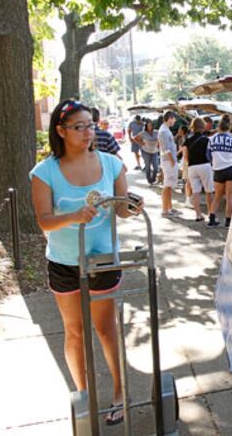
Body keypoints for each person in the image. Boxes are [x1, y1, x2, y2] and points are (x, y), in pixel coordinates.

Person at [30, 100, 143, 427]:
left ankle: (120, 394)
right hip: (64, 263)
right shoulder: (44, 171)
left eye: (90, 125)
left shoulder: (111, 164)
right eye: (78, 127)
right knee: (74, 331)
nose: (87, 132)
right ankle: (84, 396)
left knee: (106, 329)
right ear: (61, 131)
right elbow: (45, 222)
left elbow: (122, 210)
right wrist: (74, 216)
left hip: (103, 260)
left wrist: (134, 206)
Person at [207, 115, 232, 228]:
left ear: (219, 126)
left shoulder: (212, 139)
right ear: (229, 126)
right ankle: (228, 222)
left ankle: (211, 219)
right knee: (229, 196)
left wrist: (216, 161)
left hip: (218, 170)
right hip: (231, 169)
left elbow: (208, 155)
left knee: (217, 196)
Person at [181, 117, 214, 222]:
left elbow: (185, 157)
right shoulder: (206, 140)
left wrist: (190, 163)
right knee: (209, 191)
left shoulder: (187, 140)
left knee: (195, 192)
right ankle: (210, 214)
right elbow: (210, 155)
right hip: (205, 165)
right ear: (202, 127)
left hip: (192, 167)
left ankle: (198, 215)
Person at [158, 111, 180, 217]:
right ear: (169, 118)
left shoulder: (166, 130)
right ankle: (164, 210)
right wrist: (172, 160)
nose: (174, 121)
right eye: (173, 118)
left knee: (169, 185)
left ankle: (170, 208)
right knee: (167, 185)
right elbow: (166, 149)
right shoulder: (163, 131)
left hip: (169, 160)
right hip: (168, 161)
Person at [134, 120, 159, 185]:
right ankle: (149, 180)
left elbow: (160, 139)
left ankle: (153, 179)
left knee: (156, 167)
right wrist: (141, 143)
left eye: (151, 126)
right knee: (148, 167)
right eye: (148, 126)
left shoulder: (156, 132)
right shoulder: (143, 133)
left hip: (155, 151)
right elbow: (135, 138)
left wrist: (159, 144)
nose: (150, 127)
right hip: (146, 151)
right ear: (146, 126)